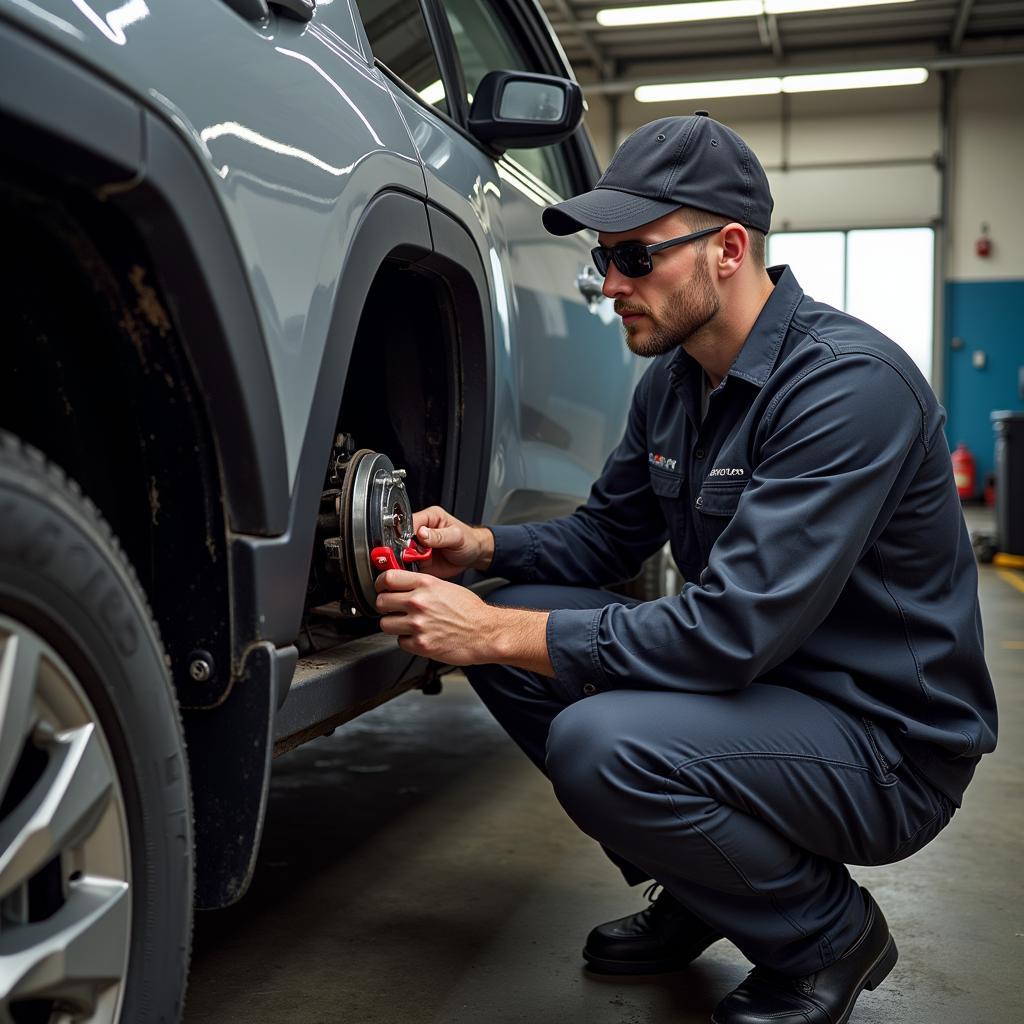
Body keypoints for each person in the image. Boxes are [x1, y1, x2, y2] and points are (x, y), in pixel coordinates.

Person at [373, 112, 997, 1024]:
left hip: (886, 745)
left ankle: (826, 933)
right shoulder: (673, 382)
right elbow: (602, 541)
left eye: (634, 257)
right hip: (767, 693)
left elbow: (729, 632)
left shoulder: (848, 388)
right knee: (518, 613)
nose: (608, 282)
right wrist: (484, 549)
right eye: (602, 259)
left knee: (594, 734)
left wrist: (495, 631)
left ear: (729, 248)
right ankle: (707, 887)